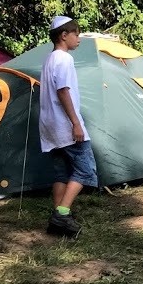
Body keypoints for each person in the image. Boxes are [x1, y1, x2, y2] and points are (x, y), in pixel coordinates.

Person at [39, 15, 96, 237]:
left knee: (61, 173)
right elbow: (63, 91)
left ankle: (58, 221)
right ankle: (62, 214)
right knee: (86, 170)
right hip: (65, 125)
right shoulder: (64, 59)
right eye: (76, 34)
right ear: (64, 35)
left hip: (49, 126)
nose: (79, 39)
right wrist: (76, 123)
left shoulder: (49, 59)